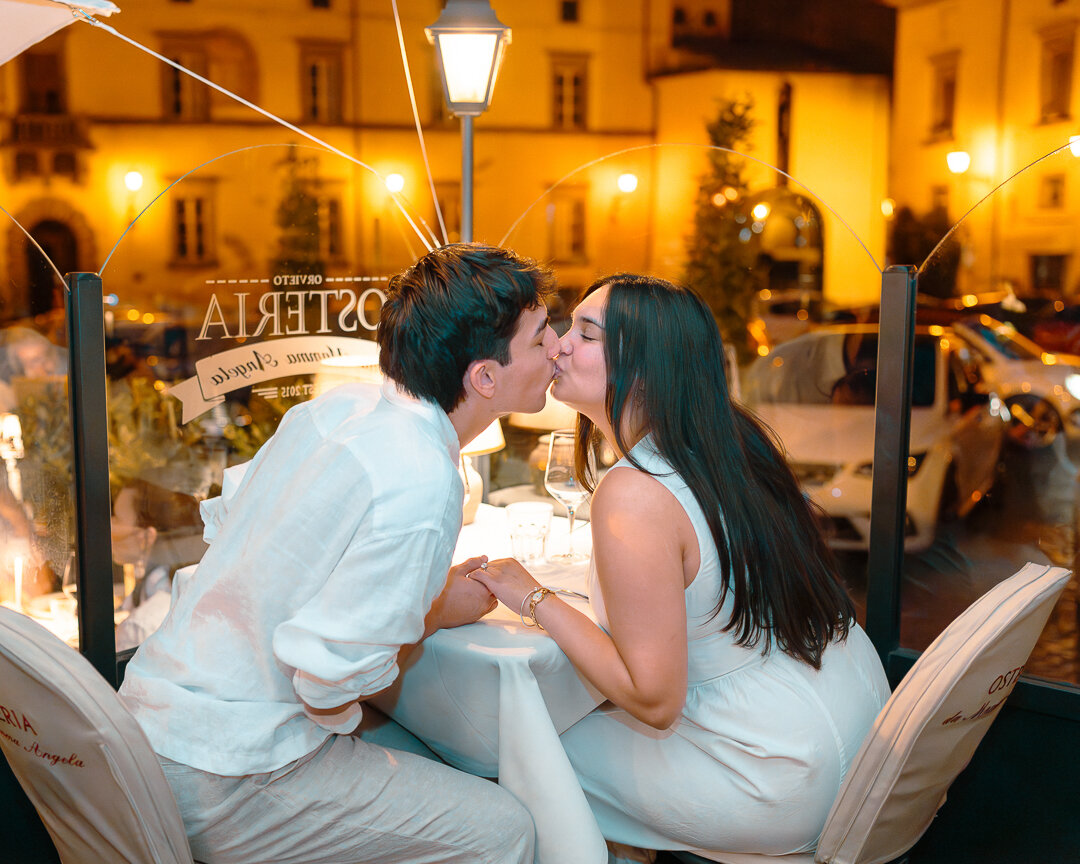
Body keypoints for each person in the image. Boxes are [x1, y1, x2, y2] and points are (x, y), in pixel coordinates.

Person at [119, 243, 561, 864]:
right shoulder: (421, 477)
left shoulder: (336, 409)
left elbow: (240, 536)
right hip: (233, 770)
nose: (559, 347)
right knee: (504, 829)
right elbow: (327, 686)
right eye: (541, 337)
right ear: (484, 377)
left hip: (148, 724)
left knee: (433, 756)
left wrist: (416, 601)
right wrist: (431, 610)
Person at [470, 274, 890, 860]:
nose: (558, 345)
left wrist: (536, 599)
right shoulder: (732, 442)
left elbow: (653, 698)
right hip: (859, 732)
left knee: (513, 753)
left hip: (772, 771)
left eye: (585, 334)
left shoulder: (635, 490)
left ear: (645, 370)